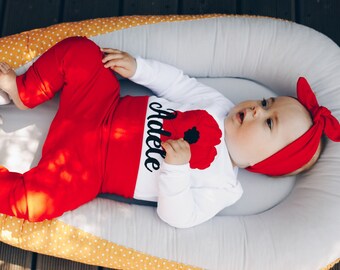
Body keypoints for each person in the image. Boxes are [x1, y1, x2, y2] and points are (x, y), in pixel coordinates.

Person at [0, 37, 339, 228]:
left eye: (268, 122)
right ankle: (26, 91)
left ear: (262, 161)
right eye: (267, 102)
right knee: (83, 52)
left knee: (34, 204)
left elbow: (179, 217)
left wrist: (175, 172)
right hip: (102, 107)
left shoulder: (223, 186)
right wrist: (139, 67)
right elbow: (178, 83)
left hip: (89, 168)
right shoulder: (217, 104)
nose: (256, 109)